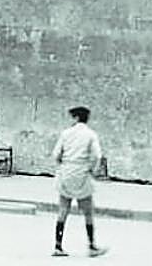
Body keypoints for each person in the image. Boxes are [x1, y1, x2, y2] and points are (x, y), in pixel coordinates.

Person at [51, 105, 108, 258]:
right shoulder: (90, 134)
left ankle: (58, 246)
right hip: (82, 174)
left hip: (66, 173)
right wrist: (92, 169)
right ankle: (91, 246)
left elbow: (56, 154)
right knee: (88, 212)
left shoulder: (66, 133)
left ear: (76, 118)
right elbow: (97, 155)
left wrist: (62, 165)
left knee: (63, 210)